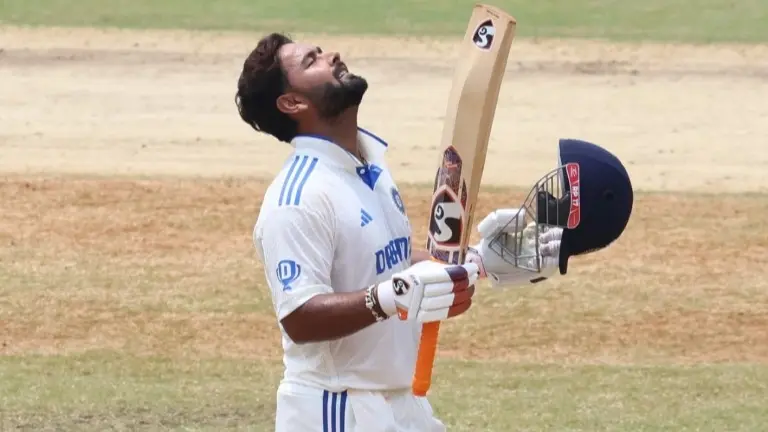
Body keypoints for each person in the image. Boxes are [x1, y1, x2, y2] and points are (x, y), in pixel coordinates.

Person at [234, 32, 632, 432]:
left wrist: (475, 262)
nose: (331, 55)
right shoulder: (297, 198)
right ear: (292, 103)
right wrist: (389, 297)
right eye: (311, 61)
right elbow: (299, 318)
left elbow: (383, 260)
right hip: (337, 409)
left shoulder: (367, 163)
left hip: (400, 404)